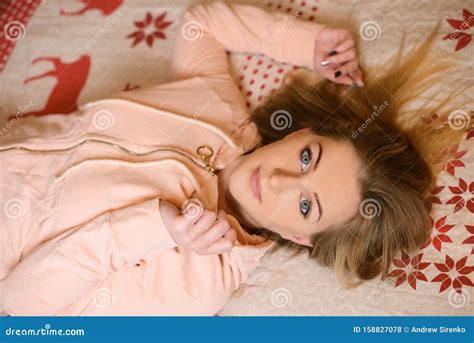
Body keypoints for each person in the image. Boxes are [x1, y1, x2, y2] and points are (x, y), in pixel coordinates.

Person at [0, 2, 465, 316]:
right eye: (307, 157)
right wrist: (306, 44)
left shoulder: (201, 280)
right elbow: (201, 21)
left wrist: (151, 227)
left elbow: (20, 309)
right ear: (302, 132)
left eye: (306, 206)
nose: (280, 181)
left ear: (301, 237)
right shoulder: (220, 112)